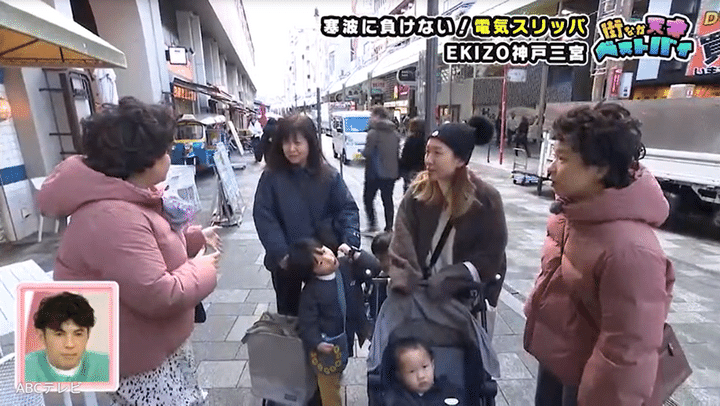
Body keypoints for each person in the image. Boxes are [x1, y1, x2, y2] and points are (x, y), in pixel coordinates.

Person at [37, 96, 221, 405]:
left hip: (151, 349)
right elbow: (158, 293)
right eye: (165, 150)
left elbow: (149, 250)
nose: (169, 156)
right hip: (139, 364)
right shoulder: (113, 216)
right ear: (144, 159)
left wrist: (194, 238)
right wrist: (203, 269)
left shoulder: (128, 200)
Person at [523, 103, 675, 406]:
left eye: (562, 158)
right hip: (560, 360)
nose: (550, 168)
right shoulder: (573, 215)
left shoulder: (631, 251)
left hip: (591, 384)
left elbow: (627, 354)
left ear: (601, 168)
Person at [388, 123, 507, 325]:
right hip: (419, 299)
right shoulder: (417, 193)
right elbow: (401, 239)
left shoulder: (486, 199)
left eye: (438, 153)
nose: (428, 160)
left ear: (460, 159)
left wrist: (453, 278)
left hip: (464, 306)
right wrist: (405, 281)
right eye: (427, 151)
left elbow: (492, 255)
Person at [254, 114, 361, 317]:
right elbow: (264, 216)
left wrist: (349, 243)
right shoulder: (271, 177)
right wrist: (281, 254)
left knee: (327, 315)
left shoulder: (329, 175)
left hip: (324, 259)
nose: (291, 149)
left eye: (297, 142)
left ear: (310, 143)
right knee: (289, 315)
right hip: (288, 262)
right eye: (286, 142)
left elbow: (347, 209)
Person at [291, 238, 376, 406]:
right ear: (311, 273)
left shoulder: (347, 267)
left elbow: (374, 267)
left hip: (346, 337)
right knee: (329, 388)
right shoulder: (311, 292)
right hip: (327, 347)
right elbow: (307, 323)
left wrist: (353, 253)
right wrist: (317, 343)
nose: (329, 258)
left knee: (339, 367)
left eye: (324, 251)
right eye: (320, 262)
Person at [25, 292, 109, 383]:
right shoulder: (23, 368)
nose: (69, 344)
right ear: (42, 336)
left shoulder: (109, 366)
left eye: (78, 334)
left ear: (88, 335)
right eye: (59, 334)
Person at [383, 337, 464, 406]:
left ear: (432, 364)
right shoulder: (397, 400)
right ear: (400, 375)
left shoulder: (448, 390)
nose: (421, 376)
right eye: (412, 371)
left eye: (425, 367)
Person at [362, 106, 400, 233]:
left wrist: (362, 152)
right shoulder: (395, 133)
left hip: (374, 174)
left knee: (368, 199)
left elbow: (367, 152)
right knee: (387, 200)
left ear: (377, 116)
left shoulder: (373, 133)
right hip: (391, 174)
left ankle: (372, 225)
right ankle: (389, 227)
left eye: (372, 115)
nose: (370, 118)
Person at [398, 117, 426, 193]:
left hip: (410, 171)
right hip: (421, 170)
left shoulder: (410, 141)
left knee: (409, 191)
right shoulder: (425, 139)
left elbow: (405, 158)